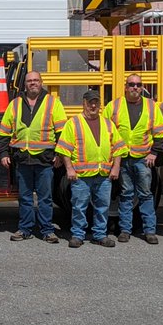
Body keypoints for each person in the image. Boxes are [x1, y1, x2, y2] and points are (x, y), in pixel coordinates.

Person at [0, 70, 67, 244]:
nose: (33, 83)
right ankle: (25, 229)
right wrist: (4, 153)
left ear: (41, 82)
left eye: (36, 80)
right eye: (29, 81)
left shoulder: (53, 103)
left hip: (45, 159)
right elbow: (4, 131)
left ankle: (47, 230)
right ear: (25, 84)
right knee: (25, 197)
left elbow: (61, 132)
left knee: (45, 197)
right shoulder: (15, 104)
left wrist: (60, 154)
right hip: (22, 158)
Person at [55, 89, 125, 248]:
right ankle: (78, 235)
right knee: (79, 207)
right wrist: (69, 169)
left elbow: (119, 147)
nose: (93, 105)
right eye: (90, 102)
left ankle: (100, 235)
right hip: (81, 175)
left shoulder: (107, 123)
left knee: (102, 207)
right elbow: (64, 149)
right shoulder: (73, 123)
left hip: (103, 174)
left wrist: (116, 167)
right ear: (84, 104)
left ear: (100, 105)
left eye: (96, 102)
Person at [106, 73, 163, 244]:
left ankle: (150, 231)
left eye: (138, 85)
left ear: (142, 88)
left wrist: (154, 152)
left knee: (146, 195)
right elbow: (105, 131)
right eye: (131, 84)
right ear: (125, 87)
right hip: (123, 158)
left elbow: (161, 132)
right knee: (126, 194)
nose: (135, 87)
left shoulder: (151, 106)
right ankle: (125, 230)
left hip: (142, 159)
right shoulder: (114, 105)